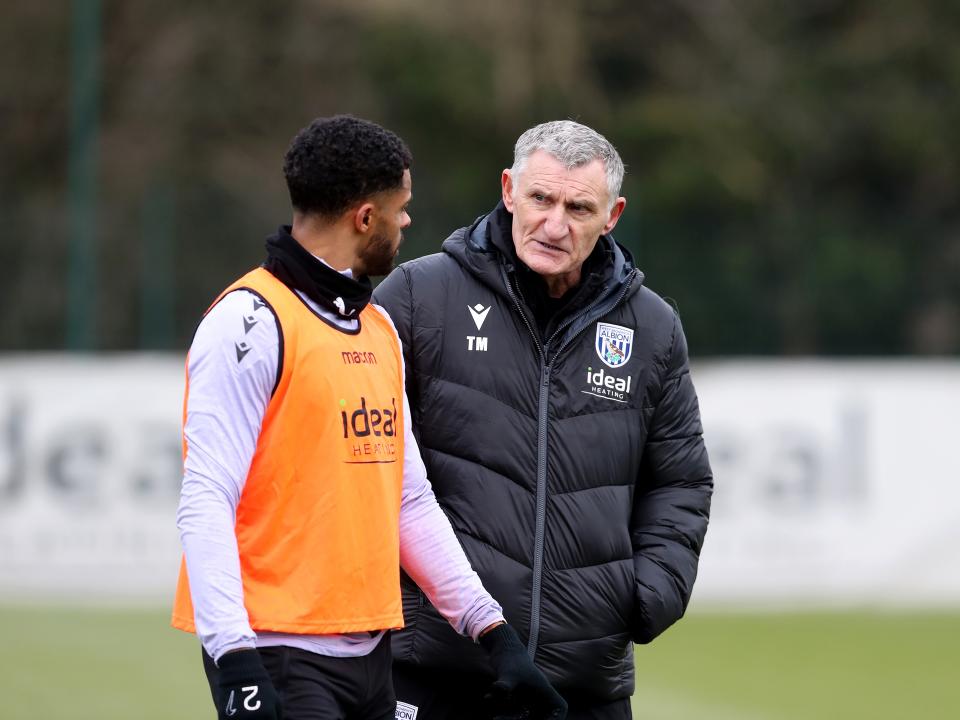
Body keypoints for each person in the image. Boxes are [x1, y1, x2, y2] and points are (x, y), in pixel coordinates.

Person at [171, 115, 567, 720]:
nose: (406, 221)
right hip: (279, 656)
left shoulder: (376, 326)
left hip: (372, 658)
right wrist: (233, 659)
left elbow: (407, 500)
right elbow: (206, 497)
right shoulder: (248, 323)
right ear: (364, 218)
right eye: (399, 208)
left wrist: (494, 634)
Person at [372, 120, 714, 719]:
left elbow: (681, 480)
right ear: (509, 190)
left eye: (579, 208)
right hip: (435, 670)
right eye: (541, 199)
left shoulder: (652, 329)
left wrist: (643, 596)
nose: (555, 225)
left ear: (613, 216)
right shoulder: (418, 297)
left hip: (582, 683)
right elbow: (364, 456)